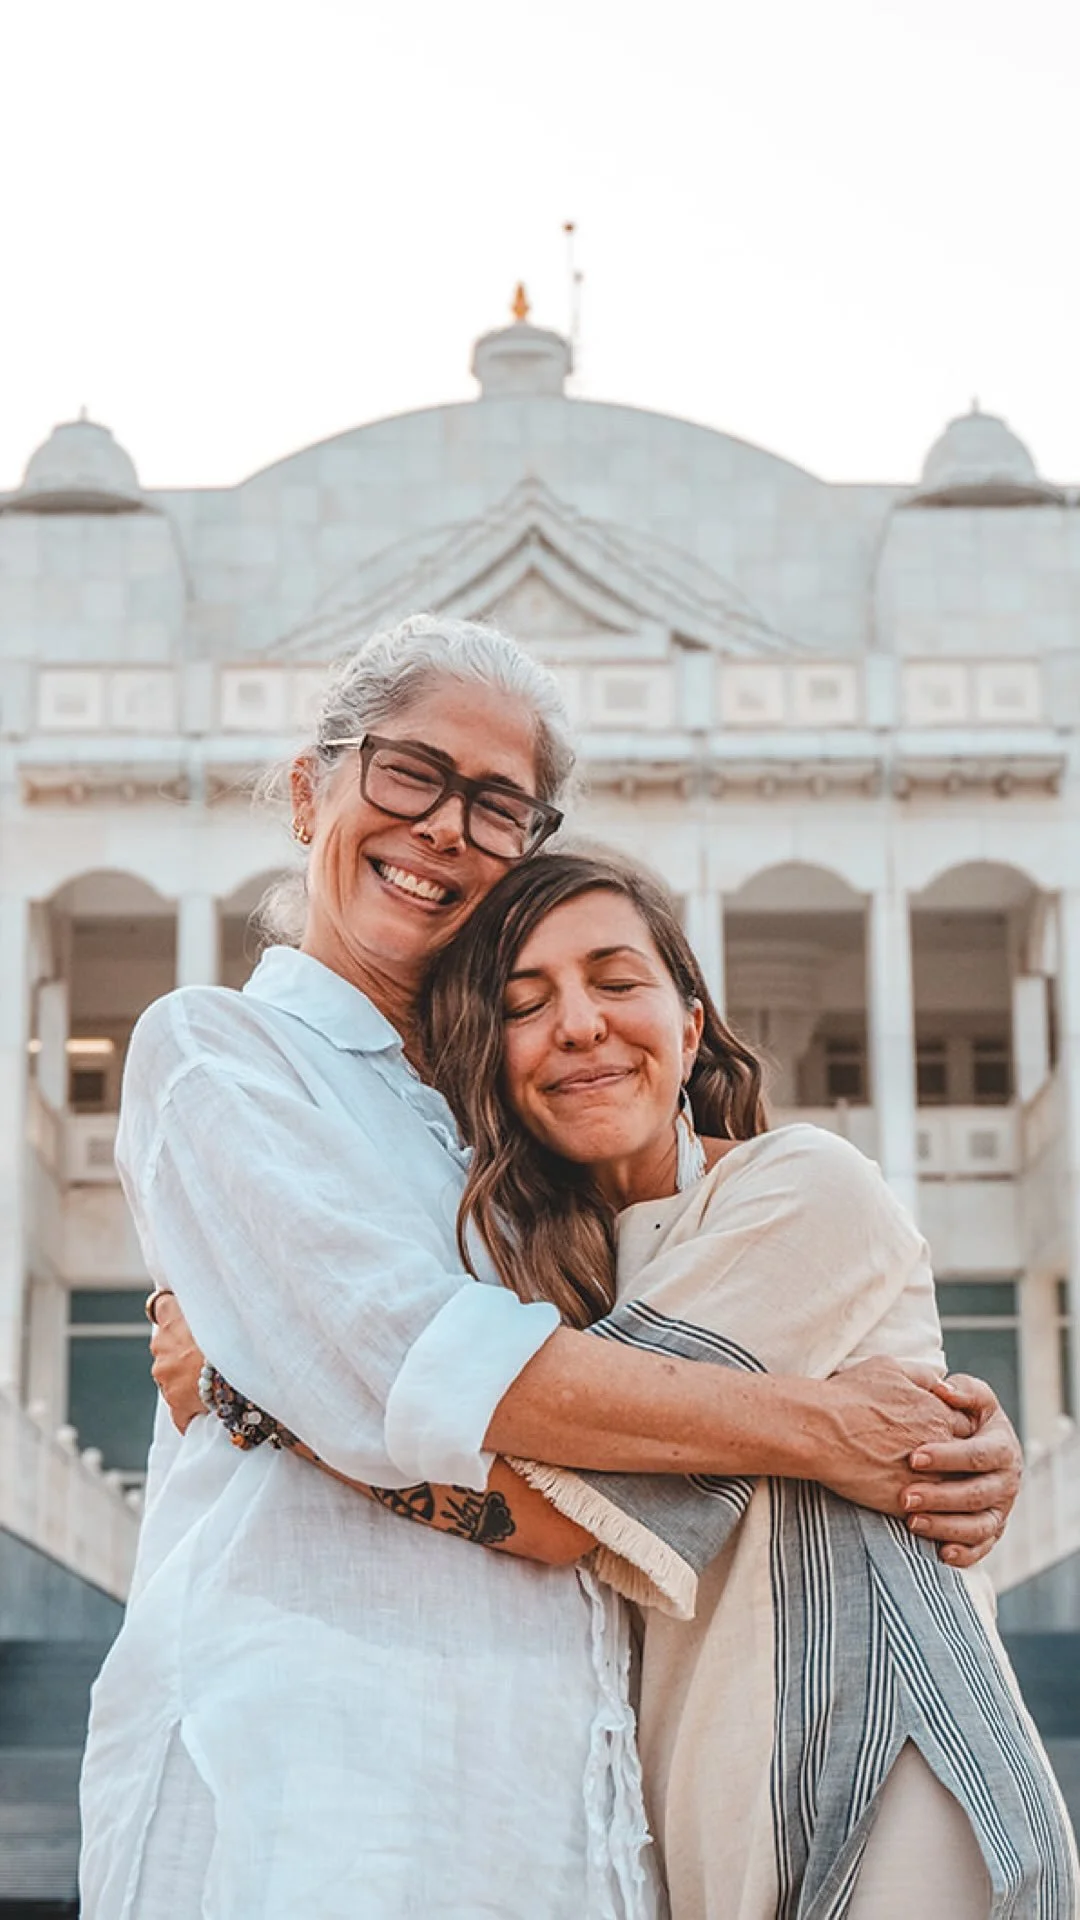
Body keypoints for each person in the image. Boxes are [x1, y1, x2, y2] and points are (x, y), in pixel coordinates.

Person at [91, 615, 1021, 1920]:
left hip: (579, 1816)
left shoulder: (520, 1147)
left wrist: (955, 1434)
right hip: (317, 1780)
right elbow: (412, 1368)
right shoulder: (220, 1054)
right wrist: (827, 1430)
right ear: (310, 790)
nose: (443, 829)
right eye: (410, 773)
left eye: (496, 806)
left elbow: (623, 1427)